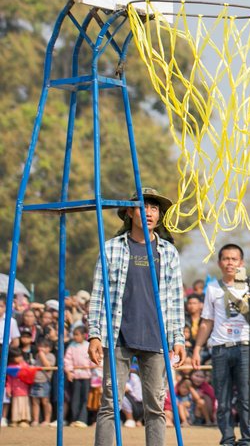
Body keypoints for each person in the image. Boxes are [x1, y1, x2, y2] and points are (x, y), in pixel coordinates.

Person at [87, 187, 186, 446]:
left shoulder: (168, 252)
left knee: (156, 407)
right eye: (143, 207)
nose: (149, 212)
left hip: (156, 337)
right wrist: (94, 335)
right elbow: (99, 294)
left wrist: (178, 337)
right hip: (118, 335)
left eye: (154, 208)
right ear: (130, 212)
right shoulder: (112, 249)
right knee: (110, 404)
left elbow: (176, 300)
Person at [192, 243, 250, 446]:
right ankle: (227, 438)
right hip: (219, 348)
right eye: (226, 259)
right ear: (219, 263)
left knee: (245, 397)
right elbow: (207, 321)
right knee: (222, 398)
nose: (230, 263)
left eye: (234, 259)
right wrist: (197, 348)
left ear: (241, 262)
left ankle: (246, 439)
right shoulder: (213, 288)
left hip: (245, 347)